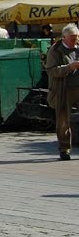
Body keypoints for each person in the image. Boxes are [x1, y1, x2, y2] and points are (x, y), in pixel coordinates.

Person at [44, 23, 79, 160]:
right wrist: (69, 67)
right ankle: (64, 149)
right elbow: (52, 71)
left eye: (76, 38)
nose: (75, 41)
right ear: (64, 38)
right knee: (63, 120)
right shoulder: (55, 50)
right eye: (72, 38)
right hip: (63, 89)